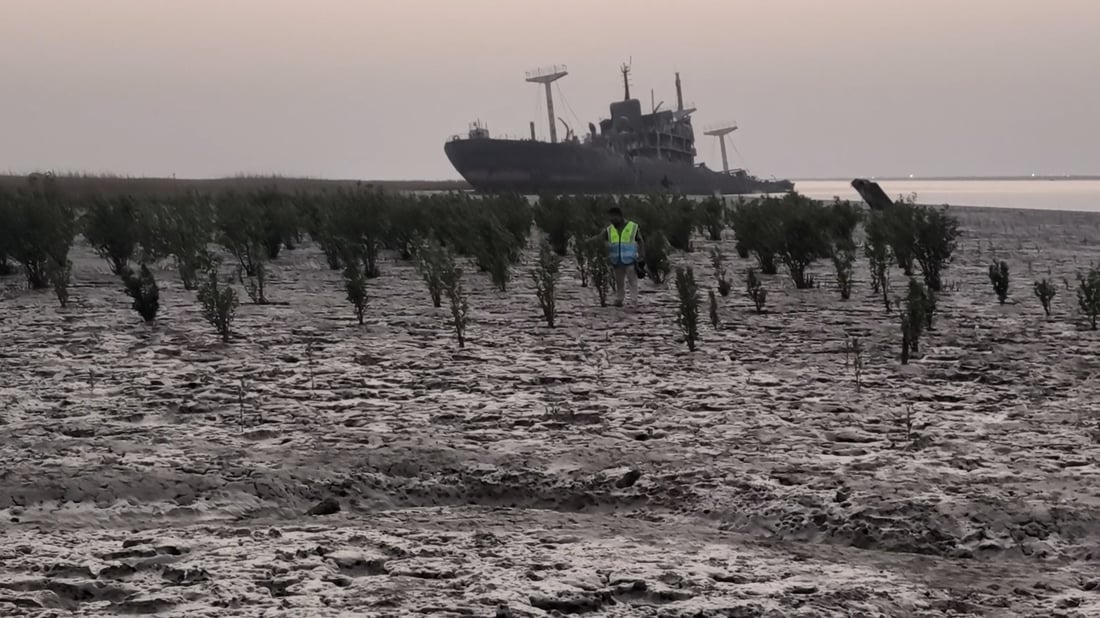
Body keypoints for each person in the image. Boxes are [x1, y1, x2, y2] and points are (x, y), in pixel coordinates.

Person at [592, 206, 645, 307]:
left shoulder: (632, 227)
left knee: (632, 282)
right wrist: (585, 242)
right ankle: (619, 301)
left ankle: (634, 302)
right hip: (616, 261)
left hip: (630, 260)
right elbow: (599, 238)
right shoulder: (609, 229)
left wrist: (642, 256)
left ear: (620, 216)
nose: (612, 221)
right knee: (619, 283)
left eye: (614, 218)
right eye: (611, 219)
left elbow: (640, 241)